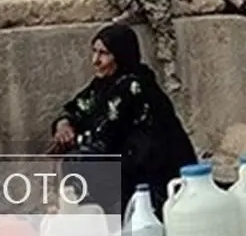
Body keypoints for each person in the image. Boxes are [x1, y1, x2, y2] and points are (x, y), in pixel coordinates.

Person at [50, 24, 197, 217]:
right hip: (126, 169)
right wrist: (64, 125)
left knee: (83, 161)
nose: (96, 61)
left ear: (121, 56)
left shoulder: (133, 86)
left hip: (154, 180)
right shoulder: (104, 84)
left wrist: (72, 142)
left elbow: (105, 136)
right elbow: (77, 108)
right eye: (94, 52)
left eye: (104, 54)